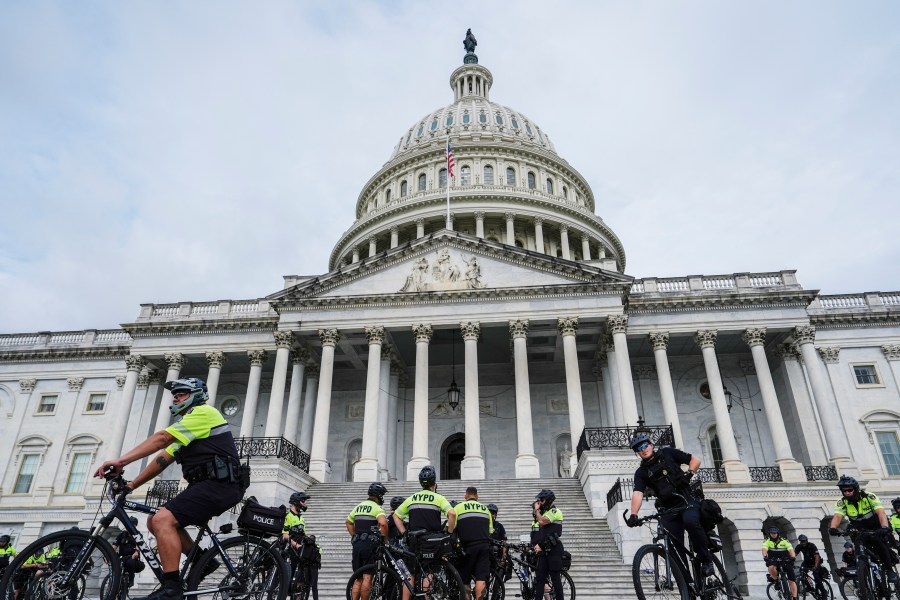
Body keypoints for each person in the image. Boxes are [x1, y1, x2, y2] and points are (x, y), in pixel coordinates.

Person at [94, 377, 245, 600]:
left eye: (182, 392)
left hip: (221, 485)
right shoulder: (188, 428)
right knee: (153, 519)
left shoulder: (204, 413)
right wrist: (132, 484)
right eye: (174, 393)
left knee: (163, 519)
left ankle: (172, 588)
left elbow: (162, 438)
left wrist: (120, 461)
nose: (175, 396)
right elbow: (163, 458)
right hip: (208, 485)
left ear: (196, 395)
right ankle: (202, 561)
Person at [625, 432, 714, 577]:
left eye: (645, 445)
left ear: (651, 445)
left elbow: (695, 460)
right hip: (668, 509)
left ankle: (706, 560)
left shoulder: (668, 453)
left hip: (686, 500)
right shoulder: (641, 473)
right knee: (674, 549)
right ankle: (686, 585)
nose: (643, 449)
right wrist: (634, 514)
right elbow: (638, 493)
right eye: (639, 448)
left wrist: (689, 474)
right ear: (637, 453)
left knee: (690, 521)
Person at [393, 466, 456, 600]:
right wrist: (449, 532)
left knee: (409, 574)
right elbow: (452, 513)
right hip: (432, 541)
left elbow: (396, 515)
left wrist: (404, 532)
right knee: (429, 572)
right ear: (434, 484)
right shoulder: (438, 498)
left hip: (414, 540)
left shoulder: (412, 498)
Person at [829, 475, 898, 584]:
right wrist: (833, 527)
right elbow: (837, 516)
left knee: (879, 543)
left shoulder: (869, 497)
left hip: (876, 527)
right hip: (860, 529)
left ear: (855, 489)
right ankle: (864, 577)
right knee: (858, 549)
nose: (846, 493)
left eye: (849, 490)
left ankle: (890, 571)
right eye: (844, 491)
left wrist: (884, 527)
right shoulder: (842, 502)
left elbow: (881, 513)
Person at [347, 482, 389, 600]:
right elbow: (383, 524)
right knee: (367, 577)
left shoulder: (359, 506)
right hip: (369, 545)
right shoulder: (377, 508)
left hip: (357, 544)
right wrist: (385, 540)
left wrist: (354, 535)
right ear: (378, 495)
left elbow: (348, 522)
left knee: (358, 577)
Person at [452, 487, 493, 600]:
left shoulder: (458, 507)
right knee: (481, 578)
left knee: (464, 580)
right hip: (484, 547)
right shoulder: (485, 509)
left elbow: (451, 528)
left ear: (466, 496)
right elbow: (491, 531)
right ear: (477, 496)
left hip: (467, 548)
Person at [531, 489, 564, 600]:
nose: (540, 502)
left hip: (554, 549)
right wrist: (538, 545)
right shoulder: (545, 512)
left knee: (555, 579)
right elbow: (541, 529)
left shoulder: (555, 511)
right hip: (544, 549)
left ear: (549, 500)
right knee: (540, 580)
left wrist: (537, 510)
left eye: (542, 500)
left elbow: (541, 521)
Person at [285, 491, 319, 600]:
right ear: (296, 502)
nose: (305, 503)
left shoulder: (301, 518)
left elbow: (302, 535)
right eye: (303, 501)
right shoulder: (288, 516)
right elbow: (284, 535)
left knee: (300, 582)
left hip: (300, 554)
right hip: (290, 552)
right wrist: (296, 545)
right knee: (289, 581)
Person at [763, 526, 797, 599]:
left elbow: (791, 549)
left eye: (775, 533)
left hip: (785, 560)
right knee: (771, 567)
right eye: (772, 533)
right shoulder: (767, 541)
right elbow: (764, 549)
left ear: (777, 533)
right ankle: (776, 581)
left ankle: (794, 597)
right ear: (770, 534)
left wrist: (793, 557)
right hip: (774, 560)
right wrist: (765, 556)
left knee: (792, 580)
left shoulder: (784, 540)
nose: (773, 535)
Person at [113, 517, 146, 590]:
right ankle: (113, 584)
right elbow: (114, 546)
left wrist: (136, 552)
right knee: (115, 565)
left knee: (130, 562)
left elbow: (139, 545)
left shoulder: (138, 534)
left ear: (135, 526)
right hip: (122, 557)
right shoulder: (121, 535)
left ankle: (131, 579)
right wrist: (108, 555)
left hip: (132, 557)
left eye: (132, 525)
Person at [795, 534, 826, 598]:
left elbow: (817, 557)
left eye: (804, 541)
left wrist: (815, 566)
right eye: (801, 541)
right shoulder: (799, 546)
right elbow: (794, 555)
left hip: (815, 562)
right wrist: (790, 561)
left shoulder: (812, 546)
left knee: (816, 577)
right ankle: (809, 588)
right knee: (801, 571)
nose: (803, 543)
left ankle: (823, 592)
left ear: (807, 540)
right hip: (807, 562)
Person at [487, 503, 508, 579]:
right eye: (489, 513)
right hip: (485, 554)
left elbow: (504, 542)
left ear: (495, 515)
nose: (491, 515)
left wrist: (503, 557)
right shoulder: (482, 525)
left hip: (496, 555)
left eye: (493, 513)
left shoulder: (499, 526)